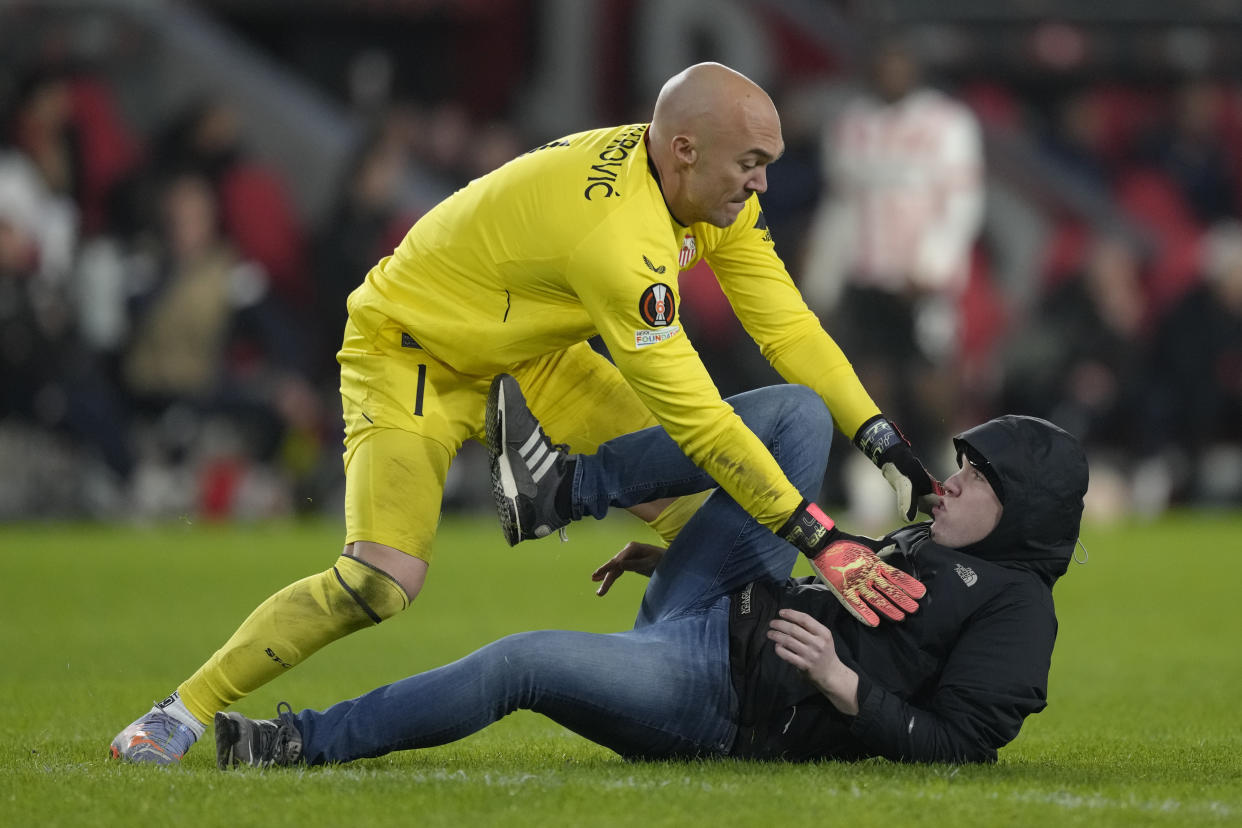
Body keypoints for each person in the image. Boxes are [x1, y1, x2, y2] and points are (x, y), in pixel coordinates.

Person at [111, 62, 939, 764]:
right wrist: (823, 537)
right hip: (414, 350)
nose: (762, 184)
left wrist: (882, 439)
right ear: (685, 151)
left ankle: (699, 679)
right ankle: (179, 714)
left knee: (713, 526)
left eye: (769, 163)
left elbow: (787, 326)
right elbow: (698, 422)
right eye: (751, 163)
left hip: (531, 353)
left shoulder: (695, 183)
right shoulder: (621, 240)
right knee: (379, 582)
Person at [213, 383, 1089, 767]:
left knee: (520, 662)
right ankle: (567, 488)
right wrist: (673, 556)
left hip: (725, 694)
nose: (954, 476)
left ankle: (298, 742)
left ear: (1021, 510)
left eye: (978, 476)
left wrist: (839, 681)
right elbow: (838, 583)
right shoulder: (940, 543)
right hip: (724, 599)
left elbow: (964, 743)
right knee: (795, 416)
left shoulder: (1017, 608)